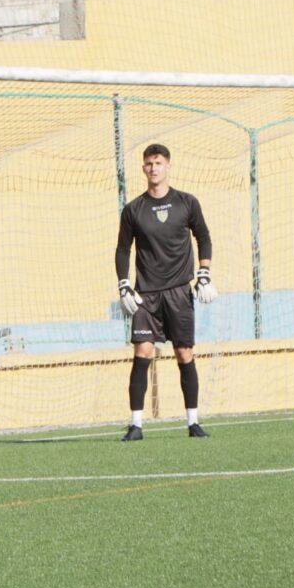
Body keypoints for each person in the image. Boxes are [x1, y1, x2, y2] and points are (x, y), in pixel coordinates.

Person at [114, 143, 218, 442]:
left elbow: (203, 236)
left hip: (178, 292)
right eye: (149, 163)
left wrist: (204, 272)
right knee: (142, 352)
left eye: (158, 163)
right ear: (143, 168)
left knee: (184, 353)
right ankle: (136, 425)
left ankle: (193, 422)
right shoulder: (133, 209)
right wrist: (123, 284)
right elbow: (123, 249)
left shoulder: (187, 202)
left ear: (168, 166)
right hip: (146, 295)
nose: (153, 168)